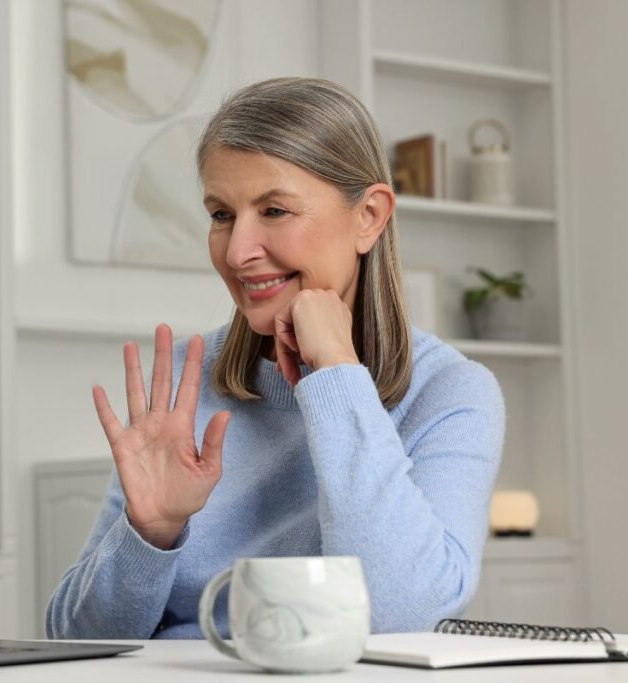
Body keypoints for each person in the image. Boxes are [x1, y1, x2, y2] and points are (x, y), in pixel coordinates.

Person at [46, 77, 505, 639]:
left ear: (369, 216)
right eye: (221, 214)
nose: (238, 252)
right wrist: (151, 532)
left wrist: (337, 375)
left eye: (275, 210)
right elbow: (73, 638)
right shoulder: (188, 382)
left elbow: (401, 615)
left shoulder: (450, 392)